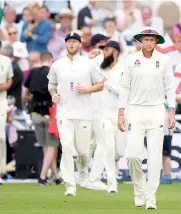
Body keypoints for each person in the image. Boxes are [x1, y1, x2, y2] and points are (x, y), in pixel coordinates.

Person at [117, 27, 176, 210]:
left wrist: (171, 111)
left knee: (154, 158)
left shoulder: (164, 60)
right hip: (135, 110)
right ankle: (139, 188)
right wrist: (121, 112)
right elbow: (124, 87)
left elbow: (170, 87)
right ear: (140, 41)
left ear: (156, 41)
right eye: (146, 40)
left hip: (157, 110)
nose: (149, 43)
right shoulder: (130, 60)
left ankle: (151, 197)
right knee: (133, 156)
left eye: (152, 40)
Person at [47, 32, 104, 196]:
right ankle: (70, 185)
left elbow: (100, 84)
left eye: (75, 42)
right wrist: (53, 94)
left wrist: (88, 89)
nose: (71, 44)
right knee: (66, 147)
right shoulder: (57, 65)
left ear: (80, 45)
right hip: (64, 113)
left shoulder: (88, 64)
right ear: (65, 44)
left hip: (84, 113)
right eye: (69, 41)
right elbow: (51, 84)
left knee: (83, 151)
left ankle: (83, 173)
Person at [87, 40, 126, 193]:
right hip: (105, 115)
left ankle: (110, 172)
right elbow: (83, 70)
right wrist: (88, 57)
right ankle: (112, 182)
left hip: (122, 114)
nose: (104, 53)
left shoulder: (124, 68)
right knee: (107, 148)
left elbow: (124, 92)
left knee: (120, 151)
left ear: (115, 52)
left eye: (107, 50)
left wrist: (107, 84)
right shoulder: (100, 67)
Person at [23, 52, 62, 186]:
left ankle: (56, 176)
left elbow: (24, 94)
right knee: (52, 147)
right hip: (50, 114)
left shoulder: (33, 72)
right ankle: (43, 176)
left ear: (41, 59)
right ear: (51, 60)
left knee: (46, 147)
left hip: (35, 114)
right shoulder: (53, 72)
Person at [0, 41, 14, 185]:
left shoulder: (6, 61)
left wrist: (6, 86)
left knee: (1, 137)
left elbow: (10, 80)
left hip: (2, 101)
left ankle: (1, 170)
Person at [160, 100, 173, 185]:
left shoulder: (168, 101)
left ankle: (167, 176)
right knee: (160, 156)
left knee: (165, 155)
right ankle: (164, 174)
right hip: (158, 132)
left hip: (166, 132)